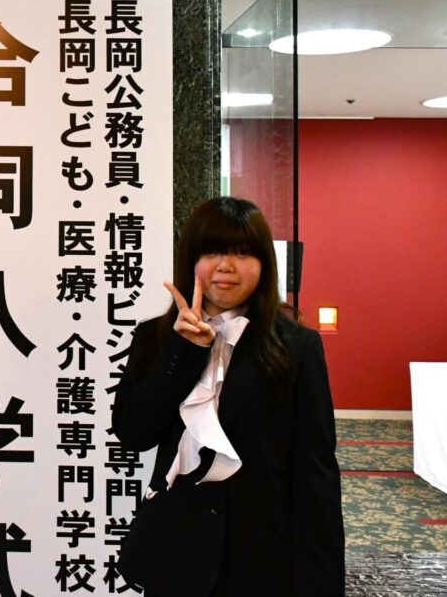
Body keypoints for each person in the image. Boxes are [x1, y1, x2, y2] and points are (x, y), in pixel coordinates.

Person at [111, 197, 344, 596]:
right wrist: (183, 352)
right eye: (212, 251)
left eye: (242, 253)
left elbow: (315, 473)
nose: (226, 266)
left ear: (264, 264)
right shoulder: (154, 338)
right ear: (191, 260)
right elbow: (133, 433)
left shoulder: (296, 346)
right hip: (176, 554)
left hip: (262, 558)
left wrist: (322, 583)